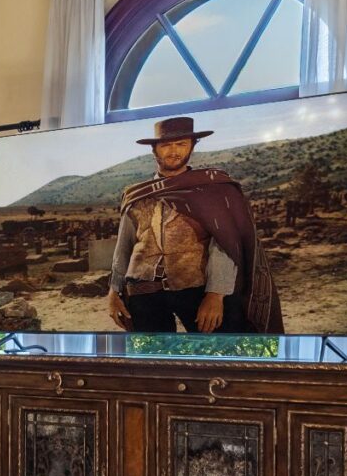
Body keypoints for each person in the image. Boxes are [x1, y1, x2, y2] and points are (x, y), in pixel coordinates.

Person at [105, 115, 283, 334]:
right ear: (154, 149)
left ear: (192, 146)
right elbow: (124, 246)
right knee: (151, 353)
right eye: (166, 145)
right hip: (142, 291)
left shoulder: (211, 189)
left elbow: (225, 244)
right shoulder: (136, 194)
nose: (174, 151)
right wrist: (114, 290)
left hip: (196, 288)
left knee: (213, 350)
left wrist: (216, 294)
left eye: (181, 144)